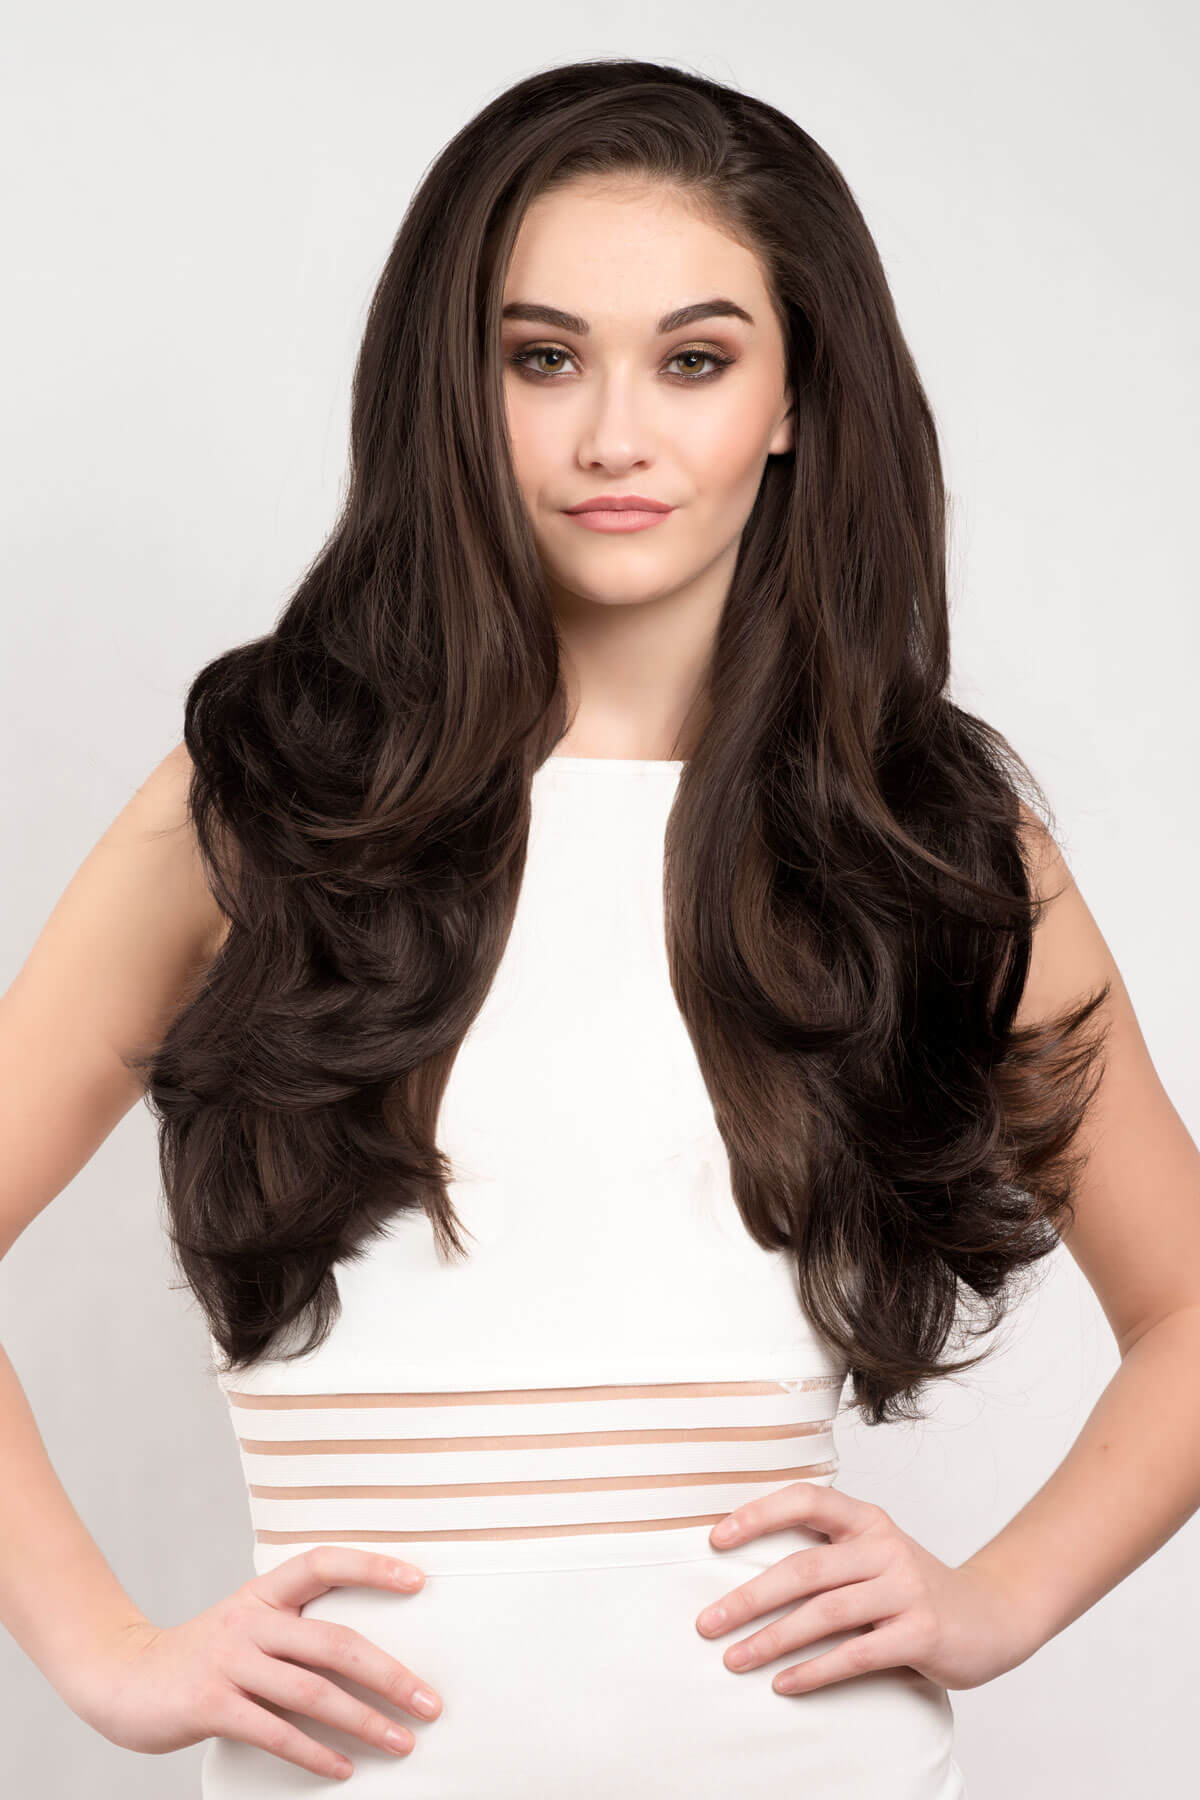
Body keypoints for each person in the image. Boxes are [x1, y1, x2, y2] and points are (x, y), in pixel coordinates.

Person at [2, 55, 1198, 1799]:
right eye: (540, 356)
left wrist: (1000, 1601)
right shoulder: (268, 801)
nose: (612, 436)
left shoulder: (921, 834)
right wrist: (102, 1656)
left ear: (795, 399)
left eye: (694, 361)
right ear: (455, 384)